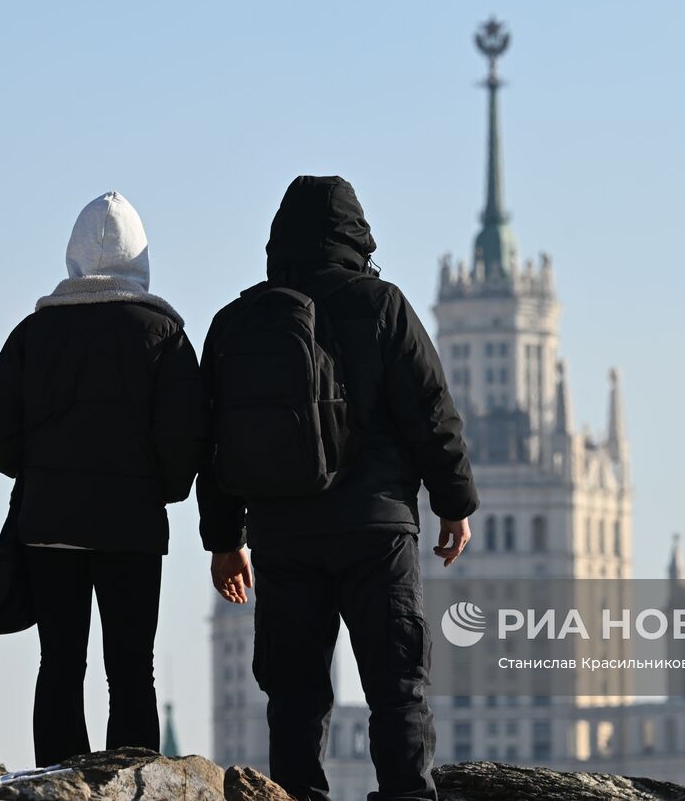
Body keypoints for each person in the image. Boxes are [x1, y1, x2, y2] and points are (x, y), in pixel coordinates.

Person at [197, 175, 478, 801]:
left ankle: (295, 796)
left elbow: (210, 441)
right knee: (397, 683)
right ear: (357, 235)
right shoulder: (382, 305)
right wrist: (455, 503)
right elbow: (431, 412)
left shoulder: (237, 322)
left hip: (283, 533)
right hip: (377, 530)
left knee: (293, 692)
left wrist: (224, 539)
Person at [0, 191, 204, 767]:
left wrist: (31, 470)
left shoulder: (36, 331)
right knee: (131, 670)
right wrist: (164, 488)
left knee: (59, 664)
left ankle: (58, 782)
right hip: (132, 527)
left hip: (48, 525)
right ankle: (130, 784)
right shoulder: (164, 334)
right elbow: (189, 431)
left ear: (73, 255)